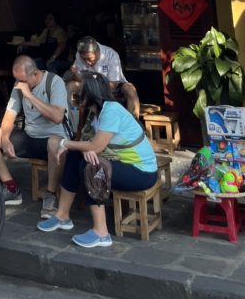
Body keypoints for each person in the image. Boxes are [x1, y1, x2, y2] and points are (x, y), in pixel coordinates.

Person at [37, 71, 157, 248]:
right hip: (120, 162)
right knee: (77, 155)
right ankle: (62, 216)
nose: (74, 96)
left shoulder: (111, 110)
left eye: (78, 93)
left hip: (141, 172)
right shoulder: (96, 113)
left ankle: (101, 233)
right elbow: (90, 145)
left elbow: (95, 147)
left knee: (91, 166)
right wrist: (85, 149)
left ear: (90, 94)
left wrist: (66, 143)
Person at [0, 55, 70, 213]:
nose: (20, 84)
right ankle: (11, 188)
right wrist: (5, 139)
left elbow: (57, 117)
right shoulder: (19, 85)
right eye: (17, 79)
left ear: (35, 74)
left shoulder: (54, 82)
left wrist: (29, 96)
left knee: (55, 143)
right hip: (29, 138)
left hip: (54, 140)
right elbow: (9, 116)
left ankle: (51, 194)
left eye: (23, 80)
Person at [69, 36, 140, 118]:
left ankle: (134, 123)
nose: (87, 62)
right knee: (71, 86)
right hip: (89, 86)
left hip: (113, 87)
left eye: (90, 58)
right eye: (84, 59)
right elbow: (79, 79)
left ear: (98, 52)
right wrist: (75, 74)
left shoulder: (111, 55)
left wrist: (93, 87)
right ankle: (73, 122)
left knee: (130, 89)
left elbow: (113, 84)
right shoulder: (79, 54)